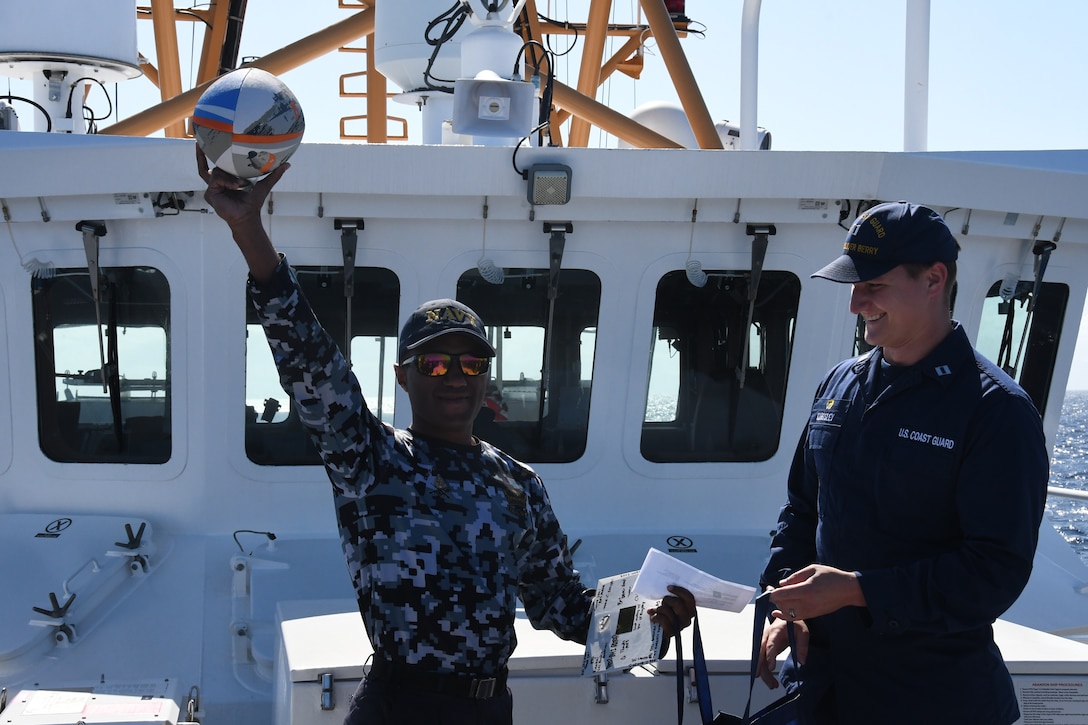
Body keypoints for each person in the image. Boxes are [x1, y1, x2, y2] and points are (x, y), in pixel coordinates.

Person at [195, 147, 696, 725]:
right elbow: (313, 365)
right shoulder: (372, 461)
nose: (455, 377)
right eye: (435, 365)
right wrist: (249, 231)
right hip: (400, 706)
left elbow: (562, 605)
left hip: (489, 710)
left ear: (487, 379)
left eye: (470, 365)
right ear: (403, 377)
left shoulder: (519, 485)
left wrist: (654, 616)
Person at [755, 201, 1049, 724]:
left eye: (873, 285)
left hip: (933, 702)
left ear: (934, 279)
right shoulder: (838, 386)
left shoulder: (995, 412)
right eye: (853, 284)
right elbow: (801, 512)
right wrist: (783, 608)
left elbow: (994, 572)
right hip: (825, 693)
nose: (855, 303)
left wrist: (857, 590)